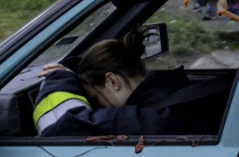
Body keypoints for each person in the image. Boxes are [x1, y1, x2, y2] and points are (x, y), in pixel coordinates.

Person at [32, 33, 217, 136]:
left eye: (97, 98)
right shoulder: (171, 89)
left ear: (113, 81)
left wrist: (61, 78)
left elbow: (61, 130)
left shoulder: (157, 116)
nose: (100, 106)